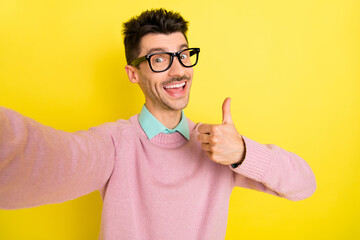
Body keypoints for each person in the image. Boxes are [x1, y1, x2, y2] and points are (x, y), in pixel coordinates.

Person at [0, 8, 316, 240]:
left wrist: (243, 153)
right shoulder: (113, 144)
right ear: (133, 73)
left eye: (183, 55)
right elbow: (47, 158)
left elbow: (305, 185)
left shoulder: (218, 145)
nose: (179, 70)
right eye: (159, 59)